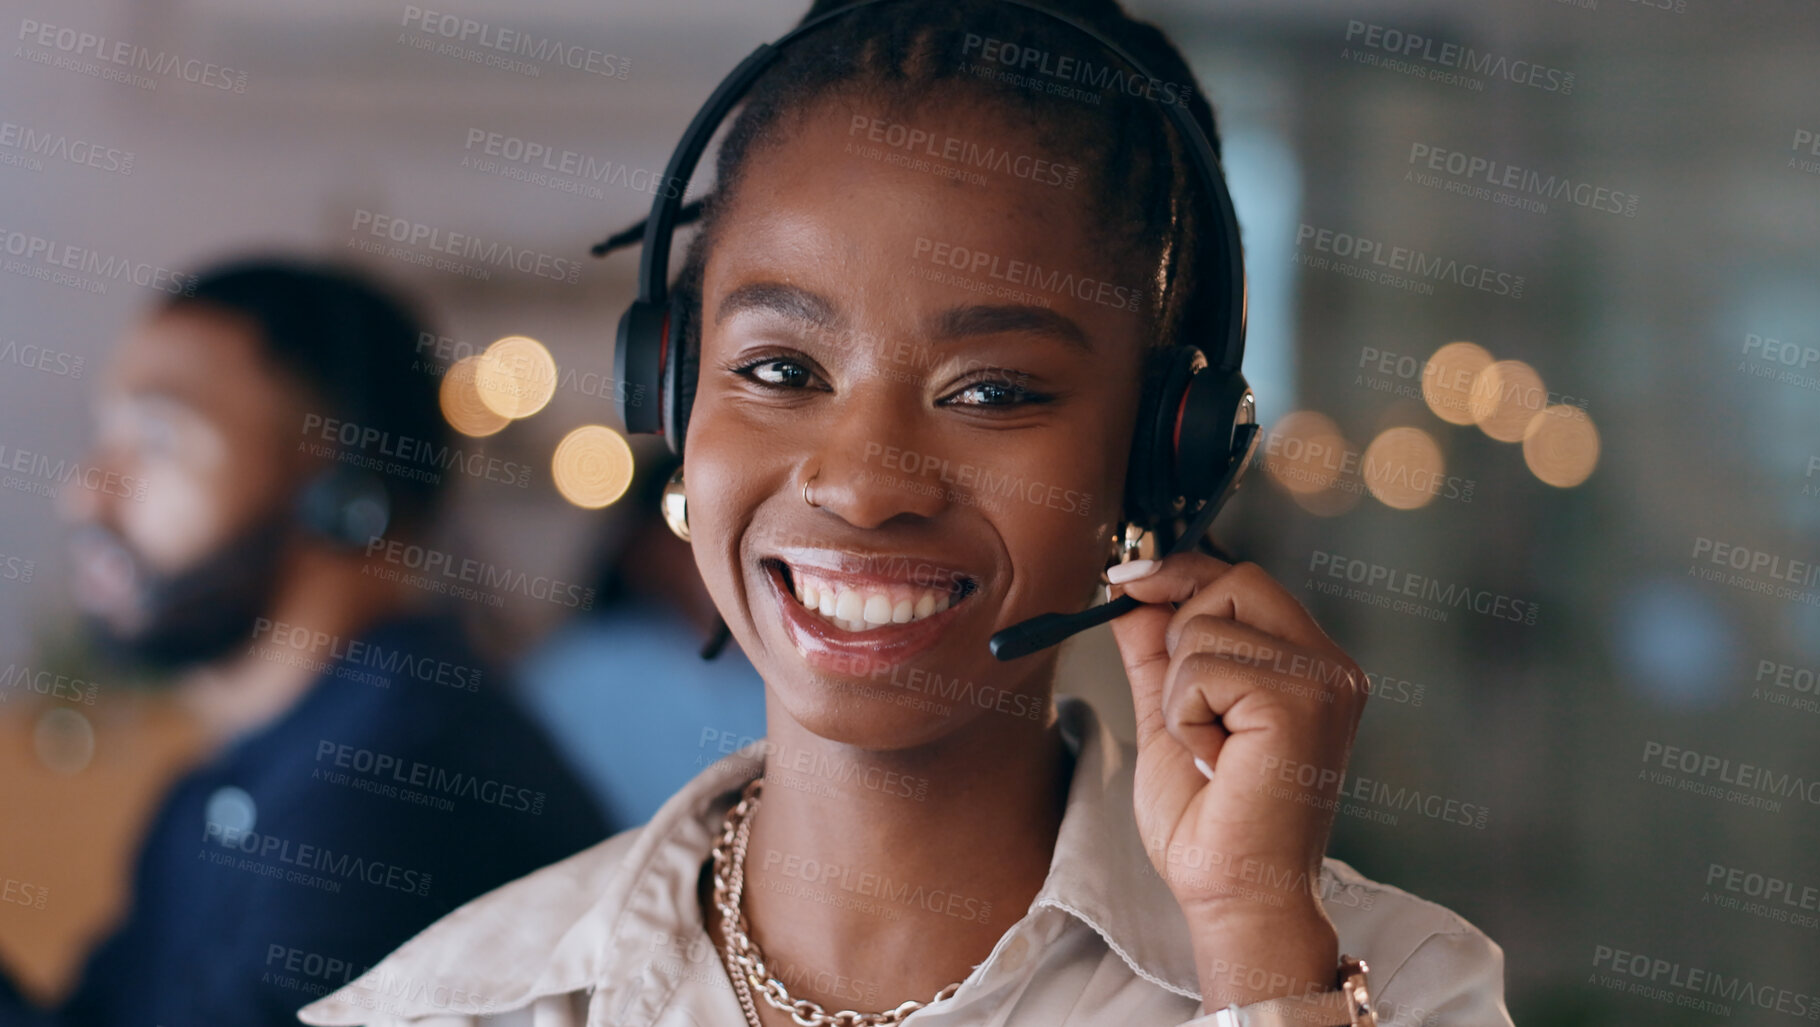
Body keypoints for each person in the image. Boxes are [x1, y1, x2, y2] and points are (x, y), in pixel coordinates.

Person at [301, 2, 1514, 1025]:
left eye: (990, 391)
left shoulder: (1389, 986)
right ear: (671, 397)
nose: (864, 480)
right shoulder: (448, 1004)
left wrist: (1256, 948)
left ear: (1162, 460)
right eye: (780, 369)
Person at [0, 259, 612, 1026]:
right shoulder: (241, 775)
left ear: (343, 497)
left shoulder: (402, 782)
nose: (85, 489)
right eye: (105, 435)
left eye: (155, 439)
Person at [514, 450, 768, 827]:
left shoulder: (786, 673)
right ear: (647, 547)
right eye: (692, 531)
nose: (724, 553)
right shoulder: (578, 673)